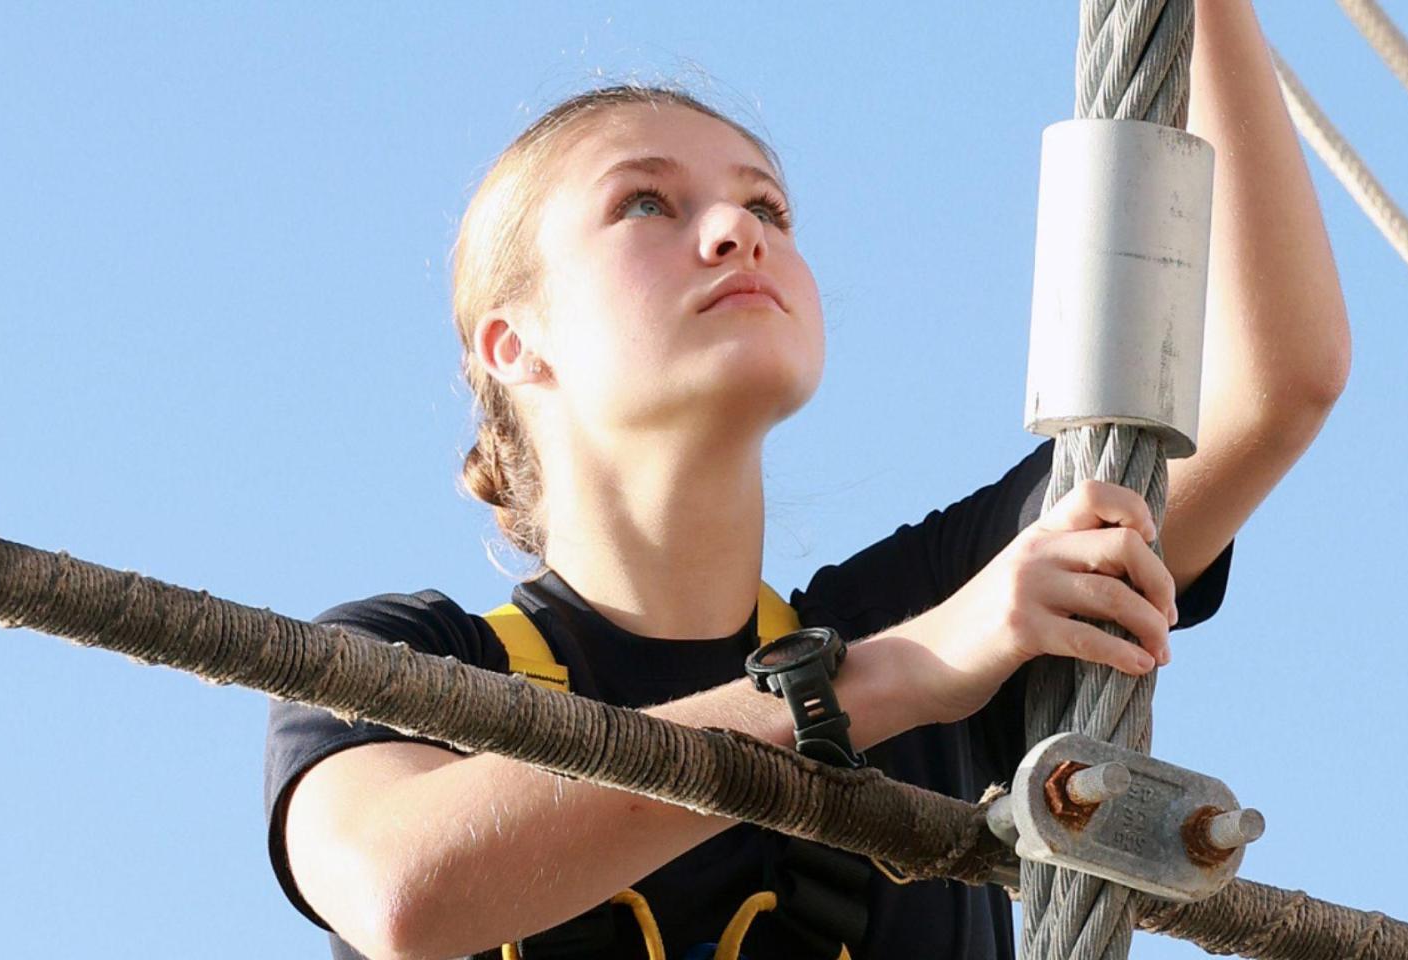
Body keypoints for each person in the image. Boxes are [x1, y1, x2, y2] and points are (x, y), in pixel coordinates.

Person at [263, 4, 1350, 957]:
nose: (737, 230)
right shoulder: (409, 664)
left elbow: (1267, 385)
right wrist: (898, 677)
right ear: (512, 342)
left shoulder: (929, 601)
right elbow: (398, 893)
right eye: (645, 203)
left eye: (769, 210)